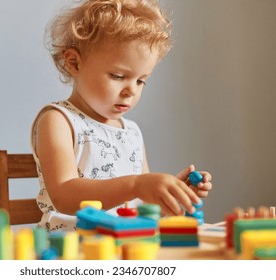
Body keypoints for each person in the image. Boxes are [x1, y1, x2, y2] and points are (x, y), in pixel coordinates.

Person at [31, 0, 212, 232]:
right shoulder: (58, 120)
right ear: (74, 63)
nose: (131, 91)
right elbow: (64, 196)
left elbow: (139, 203)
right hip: (72, 250)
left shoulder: (132, 132)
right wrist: (136, 185)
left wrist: (170, 193)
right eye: (118, 76)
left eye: (141, 80)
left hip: (127, 244)